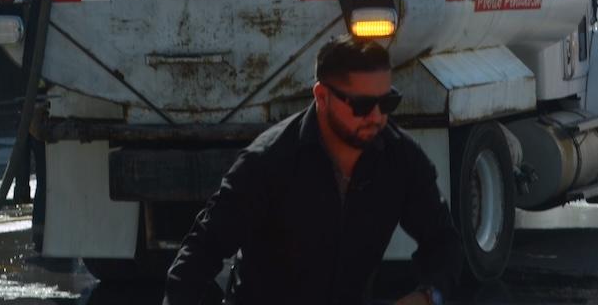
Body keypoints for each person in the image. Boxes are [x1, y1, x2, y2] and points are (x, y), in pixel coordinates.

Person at [163, 35, 461, 305]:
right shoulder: (268, 161)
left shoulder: (401, 158)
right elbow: (201, 251)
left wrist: (428, 296)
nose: (376, 116)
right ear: (321, 96)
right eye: (361, 105)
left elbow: (444, 242)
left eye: (387, 102)